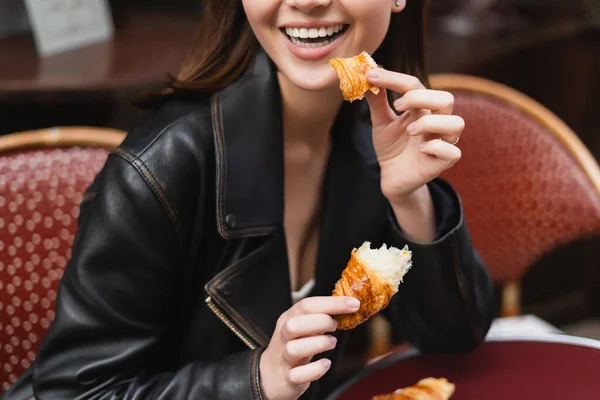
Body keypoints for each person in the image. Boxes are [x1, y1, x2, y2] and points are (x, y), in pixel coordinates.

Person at [2, 0, 496, 399]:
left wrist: (410, 200)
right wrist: (259, 379)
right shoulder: (161, 167)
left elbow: (455, 339)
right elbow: (74, 391)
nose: (308, 2)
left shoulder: (376, 135)